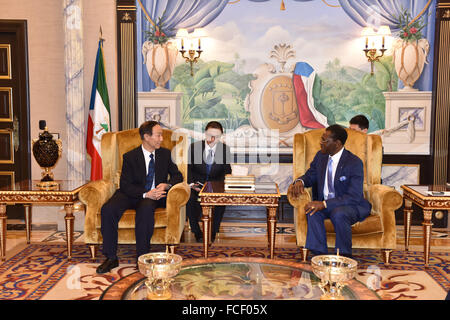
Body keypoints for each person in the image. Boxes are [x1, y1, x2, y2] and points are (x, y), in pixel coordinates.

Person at [96, 121, 183, 274]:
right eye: (158, 135)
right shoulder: (130, 156)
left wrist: (166, 185)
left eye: (161, 135)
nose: (161, 139)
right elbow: (125, 184)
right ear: (146, 137)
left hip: (153, 196)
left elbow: (178, 175)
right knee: (108, 210)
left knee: (146, 210)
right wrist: (145, 193)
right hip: (131, 193)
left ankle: (142, 258)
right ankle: (111, 257)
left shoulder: (164, 154)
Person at [290, 124, 371, 258]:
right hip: (327, 204)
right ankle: (320, 255)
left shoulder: (354, 162)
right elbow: (311, 175)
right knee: (312, 211)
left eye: (324, 140)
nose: (320, 143)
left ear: (337, 143)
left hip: (350, 206)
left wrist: (324, 204)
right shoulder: (321, 157)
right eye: (321, 139)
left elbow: (353, 196)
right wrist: (301, 181)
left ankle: (343, 256)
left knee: (338, 213)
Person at [186, 121, 231, 243]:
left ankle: (213, 232)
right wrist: (191, 184)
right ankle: (196, 232)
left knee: (221, 200)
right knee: (189, 199)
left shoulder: (224, 149)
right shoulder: (194, 147)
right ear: (205, 134)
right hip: (196, 185)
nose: (213, 139)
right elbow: (188, 169)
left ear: (221, 136)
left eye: (216, 136)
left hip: (215, 186)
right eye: (210, 135)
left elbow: (227, 172)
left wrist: (221, 187)